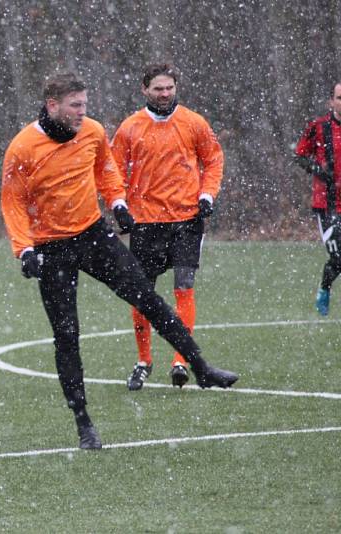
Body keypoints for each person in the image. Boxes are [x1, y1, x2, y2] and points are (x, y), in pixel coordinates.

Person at [1, 72, 238, 450]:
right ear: (52, 106)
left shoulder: (93, 131)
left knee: (148, 297)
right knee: (67, 336)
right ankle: (84, 425)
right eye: (75, 105)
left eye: (84, 104)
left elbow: (105, 169)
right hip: (50, 247)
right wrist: (24, 248)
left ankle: (201, 367)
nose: (83, 111)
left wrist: (117, 202)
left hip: (93, 235)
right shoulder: (23, 147)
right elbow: (11, 201)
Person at [111, 63, 224, 390]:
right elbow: (112, 169)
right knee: (141, 294)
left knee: (184, 287)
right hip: (146, 222)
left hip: (187, 219)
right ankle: (144, 360)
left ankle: (181, 360)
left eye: (169, 88)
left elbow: (214, 159)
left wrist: (207, 194)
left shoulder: (193, 122)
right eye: (158, 89)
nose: (164, 94)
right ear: (144, 89)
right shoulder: (130, 127)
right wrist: (119, 204)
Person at [294, 81, 341, 316]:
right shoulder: (318, 127)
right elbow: (300, 155)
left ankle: (325, 287)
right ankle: (324, 289)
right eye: (339, 98)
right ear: (331, 101)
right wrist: (319, 169)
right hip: (328, 205)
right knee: (339, 256)